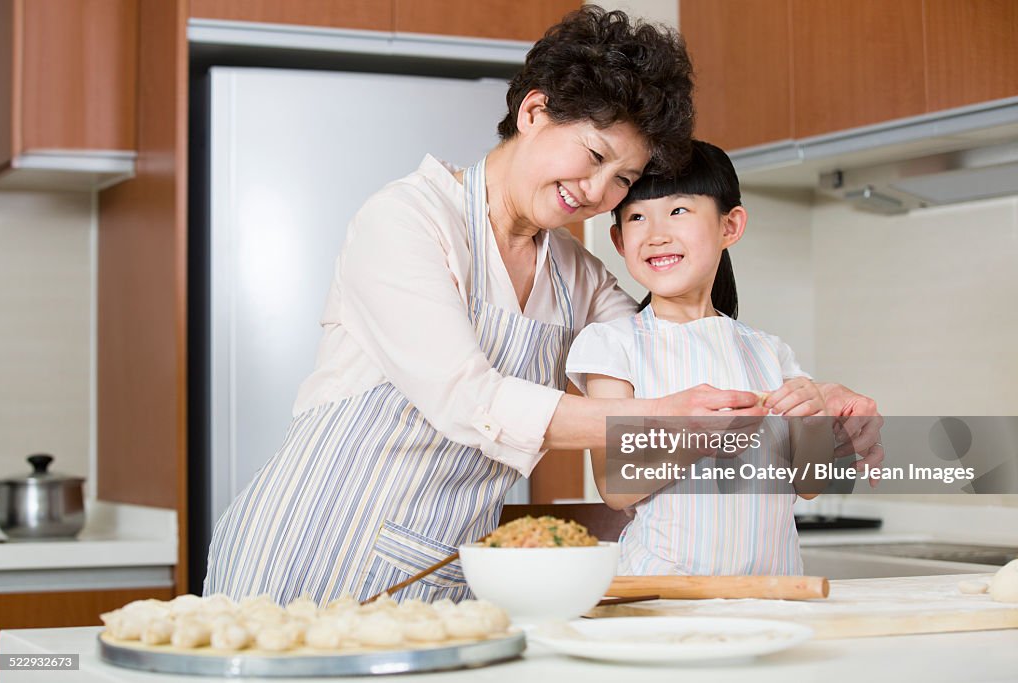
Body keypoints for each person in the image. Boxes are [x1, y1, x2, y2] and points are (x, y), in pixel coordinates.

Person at [204, 7, 880, 605]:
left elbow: (672, 347)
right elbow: (470, 399)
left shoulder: (575, 274)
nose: (595, 191)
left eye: (620, 180)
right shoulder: (410, 220)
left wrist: (818, 403)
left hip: (442, 574)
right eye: (592, 156)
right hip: (305, 551)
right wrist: (645, 415)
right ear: (534, 112)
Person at [566, 140, 877, 575]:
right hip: (664, 596)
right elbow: (616, 486)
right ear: (618, 238)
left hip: (774, 597)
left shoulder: (770, 351)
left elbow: (811, 485)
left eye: (678, 211)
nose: (656, 234)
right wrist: (699, 436)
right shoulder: (612, 345)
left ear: (729, 226)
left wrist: (815, 422)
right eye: (637, 217)